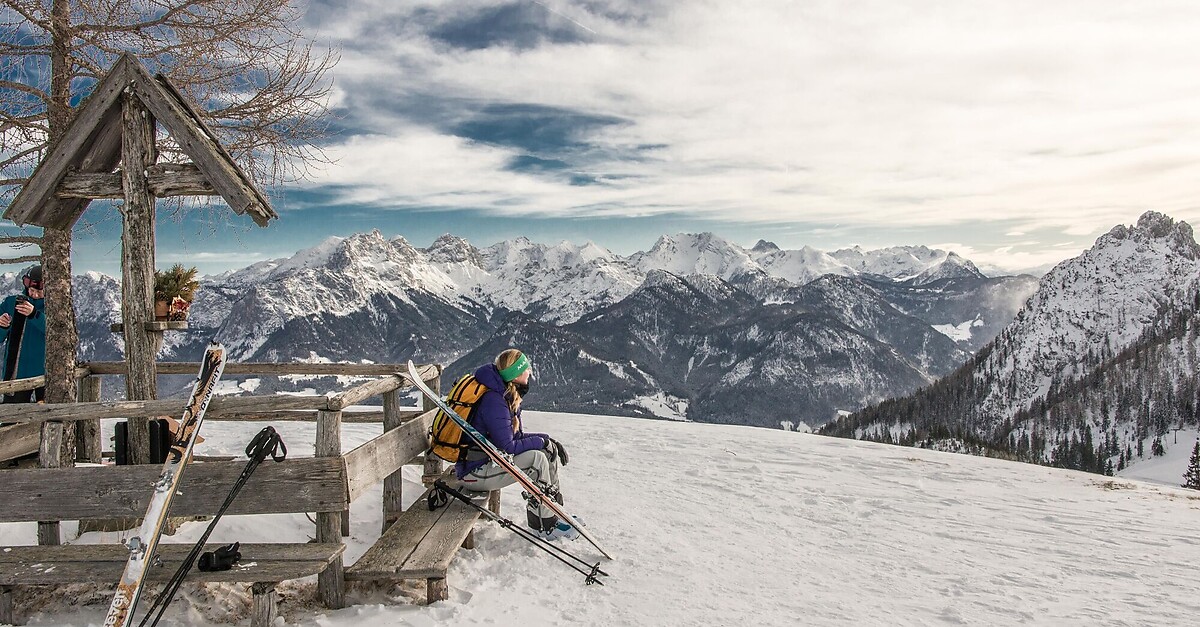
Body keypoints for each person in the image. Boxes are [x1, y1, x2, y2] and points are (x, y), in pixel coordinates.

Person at [455, 348, 575, 538]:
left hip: (485, 467)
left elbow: (516, 438)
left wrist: (548, 440)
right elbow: (508, 447)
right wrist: (541, 442)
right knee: (537, 459)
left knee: (545, 453)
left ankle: (555, 511)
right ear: (516, 374)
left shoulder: (506, 395)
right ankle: (546, 525)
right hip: (474, 473)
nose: (530, 372)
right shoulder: (494, 401)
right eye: (526, 368)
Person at [0, 265, 46, 403]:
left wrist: (34, 315)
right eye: (32, 290)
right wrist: (2, 326)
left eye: (40, 291)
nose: (35, 295)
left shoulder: (57, 307)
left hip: (47, 376)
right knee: (13, 419)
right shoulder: (11, 303)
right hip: (16, 373)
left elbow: (58, 331)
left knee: (48, 419)